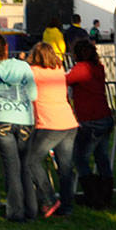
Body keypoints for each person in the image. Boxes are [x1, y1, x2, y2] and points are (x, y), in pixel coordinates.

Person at [0, 33, 38, 221]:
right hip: (25, 119)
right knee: (25, 166)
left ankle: (16, 211)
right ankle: (32, 209)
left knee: (11, 167)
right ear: (6, 48)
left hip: (2, 119)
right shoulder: (22, 66)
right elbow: (33, 94)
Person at [27, 42, 79, 217]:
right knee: (65, 167)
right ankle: (67, 205)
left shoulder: (33, 72)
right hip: (68, 121)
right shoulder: (59, 70)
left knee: (31, 161)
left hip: (50, 123)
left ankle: (49, 198)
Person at [65, 39, 114, 209]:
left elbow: (65, 80)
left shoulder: (81, 68)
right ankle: (106, 194)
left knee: (80, 158)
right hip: (104, 115)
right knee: (102, 157)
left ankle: (93, 195)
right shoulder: (97, 67)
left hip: (90, 119)